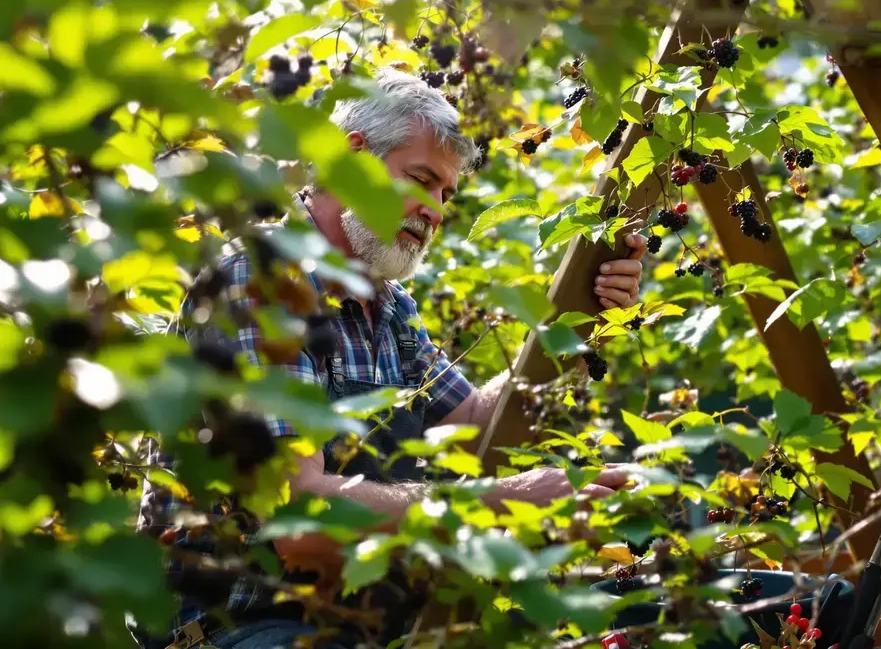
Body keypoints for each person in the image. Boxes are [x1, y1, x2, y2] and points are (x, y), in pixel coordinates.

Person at [132, 70, 648, 649]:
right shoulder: (260, 283)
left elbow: (478, 428)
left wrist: (583, 321)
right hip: (241, 631)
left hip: (354, 621)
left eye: (447, 195)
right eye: (422, 180)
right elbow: (299, 520)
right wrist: (507, 500)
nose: (434, 211)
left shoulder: (388, 306)